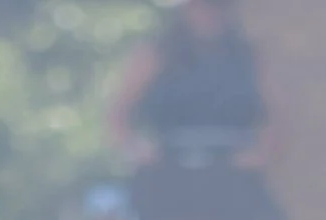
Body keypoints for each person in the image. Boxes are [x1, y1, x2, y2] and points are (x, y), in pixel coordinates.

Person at [108, 0, 269, 173]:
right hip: (165, 167)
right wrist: (135, 149)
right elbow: (118, 111)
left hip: (233, 169)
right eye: (198, 6)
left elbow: (276, 112)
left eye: (215, 6)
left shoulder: (249, 57)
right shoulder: (154, 54)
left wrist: (262, 153)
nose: (207, 13)